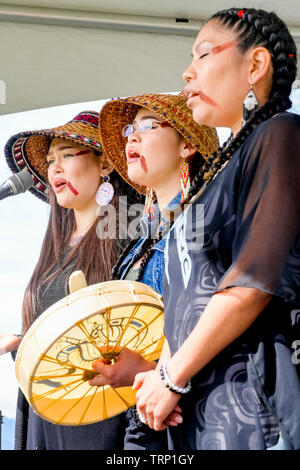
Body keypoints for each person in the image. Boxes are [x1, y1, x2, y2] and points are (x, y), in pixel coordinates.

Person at [133, 8, 300, 450]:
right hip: (195, 402)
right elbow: (188, 296)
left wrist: (171, 375)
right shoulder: (218, 170)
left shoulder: (280, 134)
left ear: (255, 65)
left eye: (203, 54)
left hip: (249, 399)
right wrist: (164, 379)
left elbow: (252, 280)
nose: (188, 72)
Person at [1, 110, 142, 450]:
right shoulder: (55, 247)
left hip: (100, 415)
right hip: (45, 411)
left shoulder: (131, 237)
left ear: (106, 164)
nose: (55, 169)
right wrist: (22, 342)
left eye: (66, 155)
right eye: (50, 161)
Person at [90, 92, 219, 449]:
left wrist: (148, 370)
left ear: (188, 146)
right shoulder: (139, 241)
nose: (132, 136)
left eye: (147, 126)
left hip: (189, 417)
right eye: (131, 129)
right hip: (140, 416)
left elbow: (220, 324)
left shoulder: (203, 224)